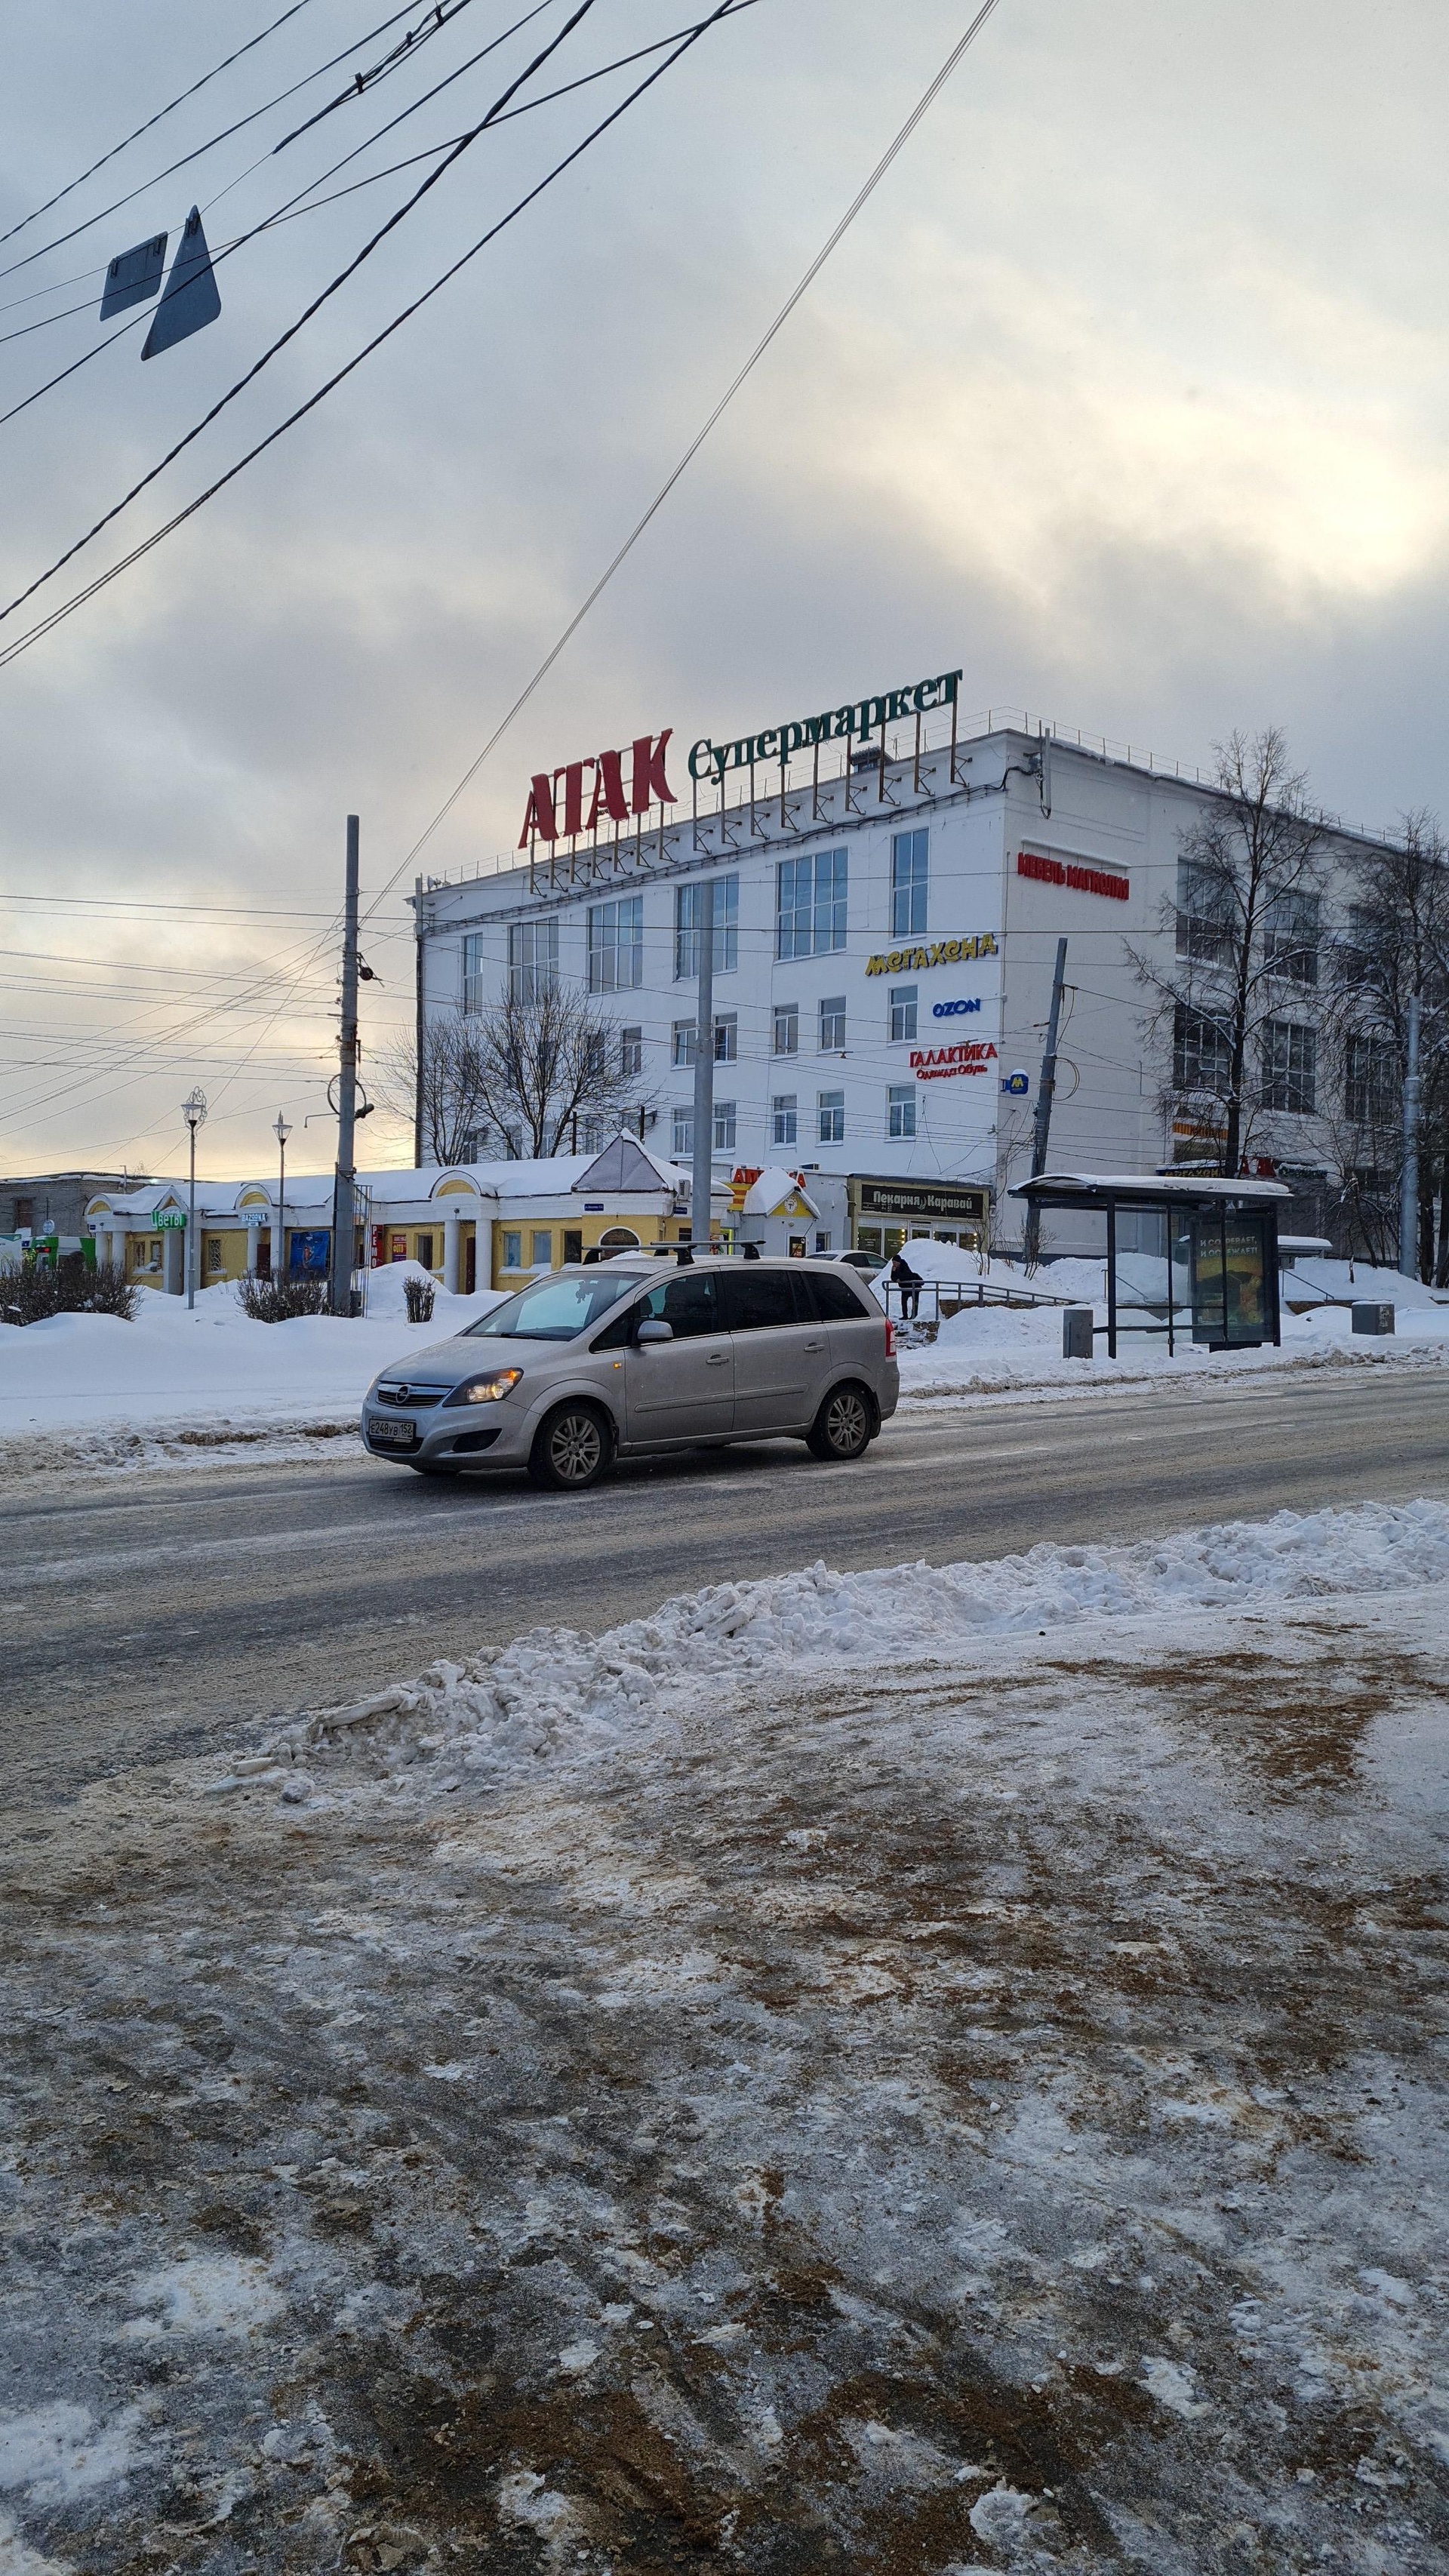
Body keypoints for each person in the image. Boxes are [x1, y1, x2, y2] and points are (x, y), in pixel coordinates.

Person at [889, 1248, 923, 1321]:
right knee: (903, 1301)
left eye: (895, 1262)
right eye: (893, 1262)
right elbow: (892, 1277)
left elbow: (906, 1275)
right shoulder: (894, 1268)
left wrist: (898, 1277)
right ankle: (905, 1315)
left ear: (899, 1262)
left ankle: (914, 1315)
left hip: (913, 1286)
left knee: (915, 1301)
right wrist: (895, 1275)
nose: (894, 1264)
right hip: (905, 1288)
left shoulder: (904, 1265)